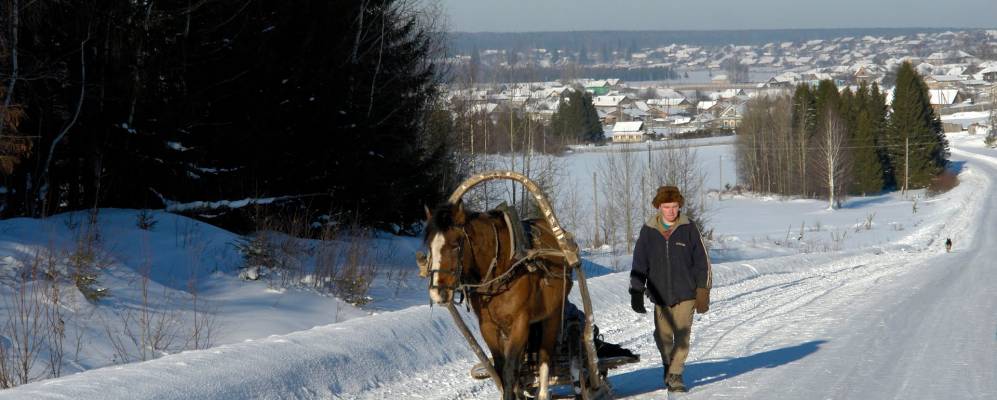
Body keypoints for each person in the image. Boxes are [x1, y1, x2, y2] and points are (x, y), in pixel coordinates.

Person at [629, 185, 712, 393]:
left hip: (686, 293)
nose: (671, 211)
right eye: (666, 206)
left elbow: (703, 262)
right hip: (659, 295)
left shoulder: (689, 228)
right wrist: (636, 290)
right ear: (659, 207)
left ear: (679, 206)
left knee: (682, 335)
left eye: (674, 206)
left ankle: (675, 374)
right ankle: (669, 363)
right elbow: (639, 263)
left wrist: (703, 290)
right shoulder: (648, 231)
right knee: (663, 337)